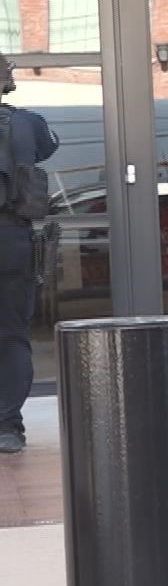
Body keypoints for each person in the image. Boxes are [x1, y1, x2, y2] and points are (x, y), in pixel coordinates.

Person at [0, 53, 57, 455]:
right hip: (11, 240)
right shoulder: (27, 123)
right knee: (13, 336)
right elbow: (47, 147)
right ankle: (8, 428)